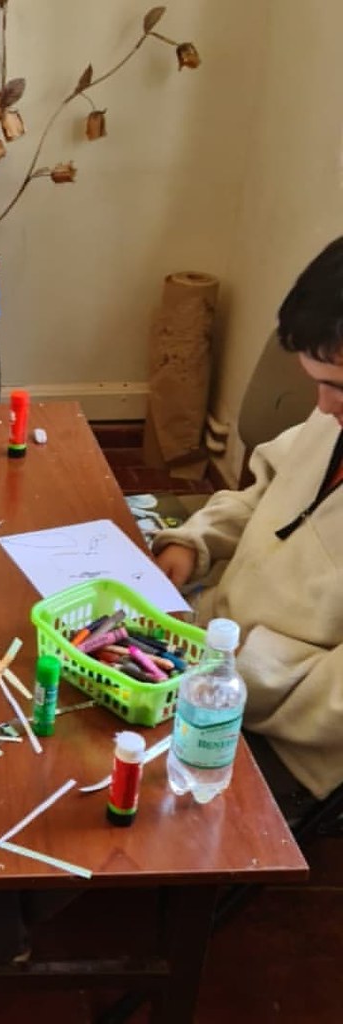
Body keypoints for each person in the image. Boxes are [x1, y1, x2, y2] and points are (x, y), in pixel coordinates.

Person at [153, 235, 343, 820]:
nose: (325, 407)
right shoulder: (332, 417)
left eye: (338, 388)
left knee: (121, 798)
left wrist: (227, 678)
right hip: (209, 653)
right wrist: (194, 543)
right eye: (318, 383)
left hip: (284, 733)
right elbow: (266, 492)